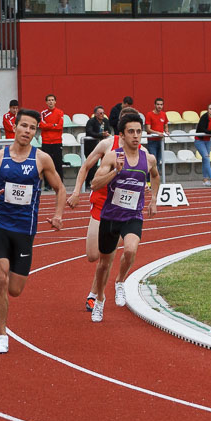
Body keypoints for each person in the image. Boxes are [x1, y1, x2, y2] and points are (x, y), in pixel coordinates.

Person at [0, 109, 65, 354]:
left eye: (32, 128)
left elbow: (60, 189)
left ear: (36, 132)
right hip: (0, 224)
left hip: (25, 230)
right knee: (0, 277)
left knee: (15, 289)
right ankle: (2, 335)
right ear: (14, 126)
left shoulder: (42, 159)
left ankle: (3, 317)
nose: (27, 131)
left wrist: (58, 214)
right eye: (24, 125)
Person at [67, 106, 142, 312]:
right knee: (92, 255)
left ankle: (95, 295)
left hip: (123, 208)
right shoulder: (107, 144)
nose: (133, 132)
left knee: (106, 257)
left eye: (136, 127)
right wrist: (75, 192)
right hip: (101, 204)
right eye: (128, 125)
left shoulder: (140, 150)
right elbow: (85, 167)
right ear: (120, 127)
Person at [89, 112, 160, 322]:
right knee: (103, 265)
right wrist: (115, 172)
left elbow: (155, 177)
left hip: (133, 215)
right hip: (110, 216)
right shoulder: (112, 157)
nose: (136, 136)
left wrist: (153, 199)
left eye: (139, 131)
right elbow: (94, 184)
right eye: (131, 132)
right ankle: (100, 300)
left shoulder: (148, 159)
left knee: (130, 250)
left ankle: (120, 281)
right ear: (122, 135)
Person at [83, 106, 112, 189]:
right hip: (91, 146)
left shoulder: (105, 121)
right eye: (100, 113)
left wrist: (106, 133)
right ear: (95, 114)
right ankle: (87, 182)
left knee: (103, 164)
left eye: (103, 113)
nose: (102, 115)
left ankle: (98, 181)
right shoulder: (91, 121)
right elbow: (89, 132)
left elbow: (109, 130)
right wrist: (100, 135)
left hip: (103, 146)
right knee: (91, 164)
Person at [39, 94, 65, 180]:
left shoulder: (60, 112)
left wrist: (48, 125)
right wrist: (53, 125)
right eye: (49, 100)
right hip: (46, 142)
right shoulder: (43, 113)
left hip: (57, 142)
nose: (51, 101)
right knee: (46, 164)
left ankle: (60, 182)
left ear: (55, 101)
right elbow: (42, 125)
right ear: (46, 102)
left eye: (52, 100)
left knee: (58, 163)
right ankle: (47, 184)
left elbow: (60, 126)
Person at [194, 104, 211, 186]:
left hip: (208, 141)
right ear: (208, 110)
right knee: (206, 158)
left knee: (205, 160)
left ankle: (205, 180)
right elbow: (201, 128)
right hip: (199, 141)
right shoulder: (204, 117)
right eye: (210, 109)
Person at [144, 97, 168, 162]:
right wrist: (158, 133)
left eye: (161, 104)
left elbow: (166, 125)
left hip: (161, 140)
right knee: (153, 161)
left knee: (158, 160)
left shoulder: (164, 114)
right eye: (158, 104)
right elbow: (148, 129)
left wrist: (167, 131)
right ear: (154, 105)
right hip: (152, 141)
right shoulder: (149, 114)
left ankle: (157, 172)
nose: (159, 106)